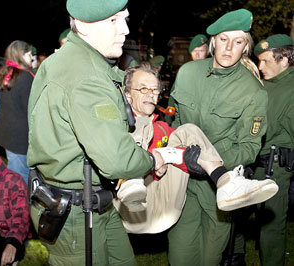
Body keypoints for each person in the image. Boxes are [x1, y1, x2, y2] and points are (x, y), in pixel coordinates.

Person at [27, 1, 168, 265]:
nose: (124, 30)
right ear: (82, 25)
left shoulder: (72, 59)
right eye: (113, 21)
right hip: (74, 211)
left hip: (94, 199)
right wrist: (152, 160)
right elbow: (117, 159)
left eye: (124, 19)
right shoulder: (86, 76)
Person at [113, 62, 278, 234]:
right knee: (138, 126)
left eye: (154, 90)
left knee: (188, 130)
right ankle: (131, 179)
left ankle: (225, 183)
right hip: (127, 208)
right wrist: (152, 161)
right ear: (127, 94)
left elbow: (189, 158)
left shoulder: (162, 129)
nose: (150, 95)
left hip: (161, 210)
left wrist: (164, 158)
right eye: (143, 89)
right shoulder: (113, 127)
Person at [168, 9, 269, 266]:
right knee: (179, 256)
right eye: (223, 39)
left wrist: (204, 161)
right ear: (213, 41)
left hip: (220, 188)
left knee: (209, 258)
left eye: (238, 42)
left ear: (245, 46)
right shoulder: (188, 73)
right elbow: (174, 124)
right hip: (181, 182)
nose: (228, 48)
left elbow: (249, 148)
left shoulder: (252, 91)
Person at [235, 33, 293, 266]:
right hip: (252, 161)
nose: (260, 66)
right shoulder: (263, 85)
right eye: (259, 60)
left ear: (284, 60)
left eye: (266, 61)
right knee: (235, 216)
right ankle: (235, 258)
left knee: (271, 226)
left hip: (275, 165)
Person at [0, 40, 35, 184]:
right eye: (29, 54)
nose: (32, 58)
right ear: (21, 55)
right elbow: (31, 108)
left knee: (14, 171)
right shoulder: (26, 76)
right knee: (20, 177)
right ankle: (18, 203)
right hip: (20, 138)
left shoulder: (4, 72)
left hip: (6, 133)